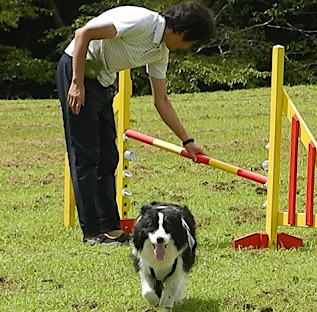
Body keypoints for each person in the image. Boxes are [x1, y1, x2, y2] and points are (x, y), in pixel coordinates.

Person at [56, 1, 215, 246]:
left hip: (100, 81)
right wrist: (76, 83)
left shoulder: (160, 51)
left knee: (108, 157)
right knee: (86, 155)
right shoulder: (141, 22)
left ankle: (112, 229)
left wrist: (188, 141)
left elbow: (161, 101)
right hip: (76, 69)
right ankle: (92, 233)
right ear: (183, 33)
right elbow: (83, 33)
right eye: (190, 42)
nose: (187, 47)